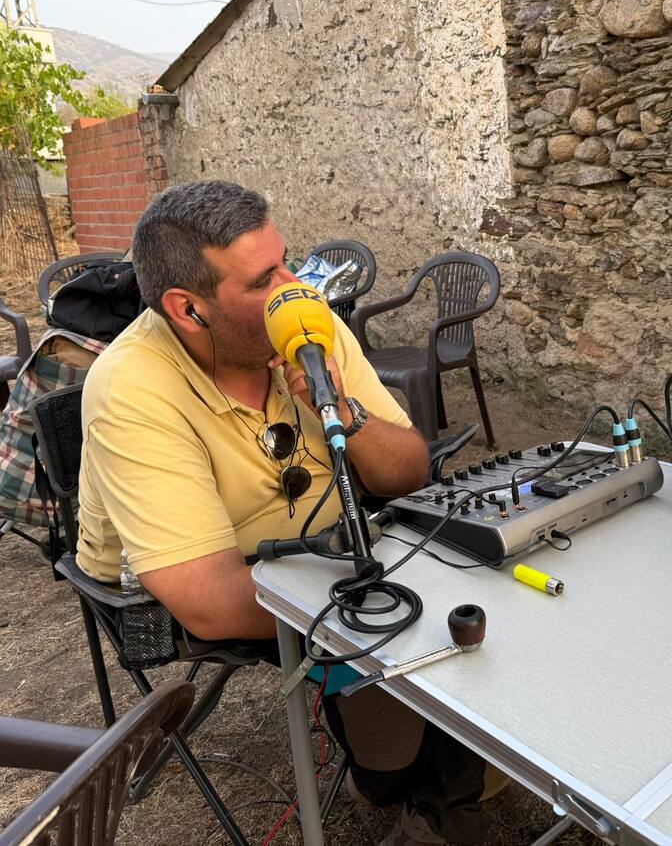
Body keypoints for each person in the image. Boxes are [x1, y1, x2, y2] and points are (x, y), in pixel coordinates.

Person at [75, 180, 504, 844]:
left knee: (480, 580)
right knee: (403, 627)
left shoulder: (309, 325)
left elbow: (408, 470)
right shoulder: (131, 387)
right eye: (262, 280)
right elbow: (209, 601)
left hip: (333, 550)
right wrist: (372, 593)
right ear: (188, 309)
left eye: (287, 262)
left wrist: (347, 417)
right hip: (189, 589)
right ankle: (431, 797)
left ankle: (441, 772)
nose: (292, 287)